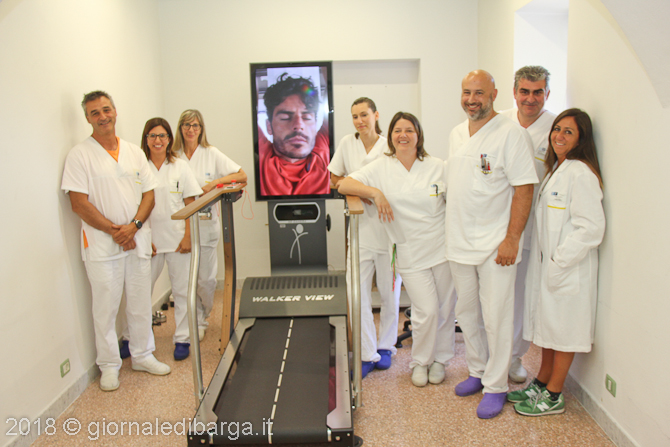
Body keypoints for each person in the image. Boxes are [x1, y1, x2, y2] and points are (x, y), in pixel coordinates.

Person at [61, 91, 171, 392]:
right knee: (105, 309)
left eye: (106, 109)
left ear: (115, 112)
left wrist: (133, 228)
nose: (102, 116)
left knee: (139, 303)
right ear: (87, 118)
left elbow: (149, 195)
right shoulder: (80, 155)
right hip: (101, 246)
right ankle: (109, 365)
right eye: (95, 112)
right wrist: (115, 232)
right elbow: (79, 203)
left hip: (136, 240)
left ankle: (143, 355)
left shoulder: (134, 152)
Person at [339, 112, 456, 388]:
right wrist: (375, 193)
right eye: (397, 130)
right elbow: (344, 184)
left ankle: (440, 360)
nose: (403, 135)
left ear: (419, 135)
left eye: (409, 130)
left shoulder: (438, 166)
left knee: (445, 308)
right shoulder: (381, 166)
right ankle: (420, 361)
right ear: (390, 135)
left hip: (442, 248)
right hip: (408, 250)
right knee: (426, 309)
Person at [446, 70, 537, 418]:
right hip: (458, 241)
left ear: (494, 94)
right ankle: (478, 370)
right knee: (467, 313)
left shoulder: (511, 134)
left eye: (479, 93)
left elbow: (524, 189)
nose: (472, 100)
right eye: (467, 92)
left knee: (497, 316)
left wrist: (512, 239)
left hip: (496, 244)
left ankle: (496, 385)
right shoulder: (457, 133)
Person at [508, 108, 605, 416]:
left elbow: (591, 228)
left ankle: (554, 395)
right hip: (550, 268)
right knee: (548, 329)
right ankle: (541, 382)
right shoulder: (556, 170)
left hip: (567, 270)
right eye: (557, 129)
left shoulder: (581, 173)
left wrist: (559, 260)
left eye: (568, 132)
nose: (559, 136)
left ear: (581, 139)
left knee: (563, 332)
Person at [329, 97, 401, 378]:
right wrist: (362, 191)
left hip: (389, 230)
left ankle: (386, 345)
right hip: (360, 231)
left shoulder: (389, 145)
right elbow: (334, 179)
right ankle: (367, 351)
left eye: (364, 115)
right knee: (356, 292)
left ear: (376, 115)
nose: (359, 121)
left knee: (389, 293)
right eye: (355, 116)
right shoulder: (348, 143)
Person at [500, 66, 557, 383]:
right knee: (491, 297)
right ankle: (489, 356)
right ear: (514, 92)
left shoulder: (555, 129)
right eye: (524, 91)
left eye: (538, 92)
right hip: (494, 223)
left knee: (520, 297)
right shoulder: (500, 122)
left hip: (532, 229)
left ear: (547, 94)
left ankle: (513, 357)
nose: (530, 99)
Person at [173, 109, 247, 342]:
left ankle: (203, 313)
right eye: (186, 125)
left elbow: (242, 175)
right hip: (179, 228)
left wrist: (216, 182)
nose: (191, 130)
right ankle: (195, 322)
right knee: (185, 280)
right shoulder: (173, 156)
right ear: (180, 128)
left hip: (206, 226)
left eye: (195, 125)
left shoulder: (210, 153)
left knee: (205, 280)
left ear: (201, 129)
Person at [141, 117, 203, 360]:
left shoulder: (180, 166)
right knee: (140, 292)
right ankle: (134, 337)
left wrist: (188, 236)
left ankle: (183, 339)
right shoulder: (139, 166)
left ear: (169, 139)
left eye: (162, 135)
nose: (157, 140)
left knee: (181, 291)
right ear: (146, 139)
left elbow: (190, 203)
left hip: (178, 240)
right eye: (152, 136)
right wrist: (143, 237)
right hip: (149, 241)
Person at [259, 73, 330, 196]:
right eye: (285, 117)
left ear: (315, 125)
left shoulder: (323, 149)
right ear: (269, 126)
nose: (298, 125)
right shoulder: (262, 155)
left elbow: (333, 85)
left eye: (307, 117)